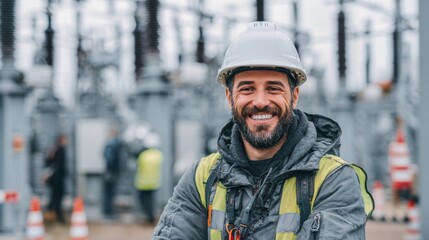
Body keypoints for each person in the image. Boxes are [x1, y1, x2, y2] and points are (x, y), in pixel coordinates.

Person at [153, 21, 374, 239]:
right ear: (229, 97)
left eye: (273, 88)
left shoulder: (333, 180)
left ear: (294, 96)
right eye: (247, 88)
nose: (260, 101)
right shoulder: (201, 177)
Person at [135, 133, 163, 224]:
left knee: (144, 201)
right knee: (151, 200)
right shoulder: (159, 155)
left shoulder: (143, 155)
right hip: (154, 182)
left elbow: (137, 163)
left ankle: (148, 217)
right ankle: (151, 216)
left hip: (143, 182)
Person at [44, 133, 68, 223]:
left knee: (56, 196)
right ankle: (55, 215)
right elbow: (50, 163)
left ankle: (54, 215)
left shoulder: (57, 149)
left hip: (58, 177)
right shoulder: (57, 149)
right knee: (56, 196)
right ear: (61, 140)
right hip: (56, 178)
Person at [102, 128, 122, 219]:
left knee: (109, 193)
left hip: (109, 171)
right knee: (110, 193)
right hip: (111, 172)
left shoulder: (109, 143)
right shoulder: (112, 144)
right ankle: (109, 213)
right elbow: (110, 159)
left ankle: (108, 212)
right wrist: (111, 170)